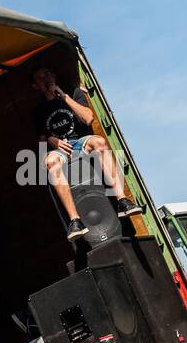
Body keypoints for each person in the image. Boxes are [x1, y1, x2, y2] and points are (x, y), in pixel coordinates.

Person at [30, 67, 142, 241]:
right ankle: (75, 221)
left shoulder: (73, 93)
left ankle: (122, 201)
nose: (45, 79)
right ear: (35, 86)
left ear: (54, 75)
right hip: (60, 148)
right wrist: (51, 140)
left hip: (81, 141)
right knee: (50, 161)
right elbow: (41, 141)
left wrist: (62, 95)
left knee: (99, 142)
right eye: (40, 78)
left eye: (47, 74)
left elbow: (88, 118)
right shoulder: (38, 111)